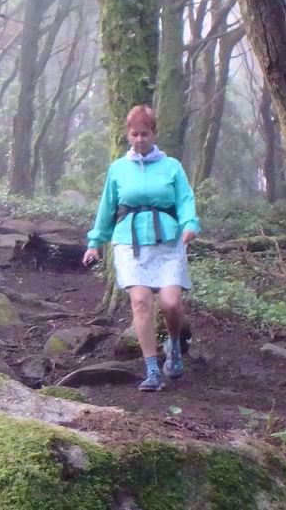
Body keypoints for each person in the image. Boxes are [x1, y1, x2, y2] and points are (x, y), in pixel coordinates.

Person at [82, 104, 199, 392]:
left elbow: (185, 199)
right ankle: (151, 370)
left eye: (144, 134)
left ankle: (172, 345)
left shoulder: (172, 166)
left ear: (154, 133)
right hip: (128, 241)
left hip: (168, 240)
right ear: (128, 135)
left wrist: (190, 223)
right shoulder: (119, 169)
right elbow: (107, 207)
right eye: (134, 134)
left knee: (171, 302)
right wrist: (95, 242)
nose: (139, 140)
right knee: (141, 301)